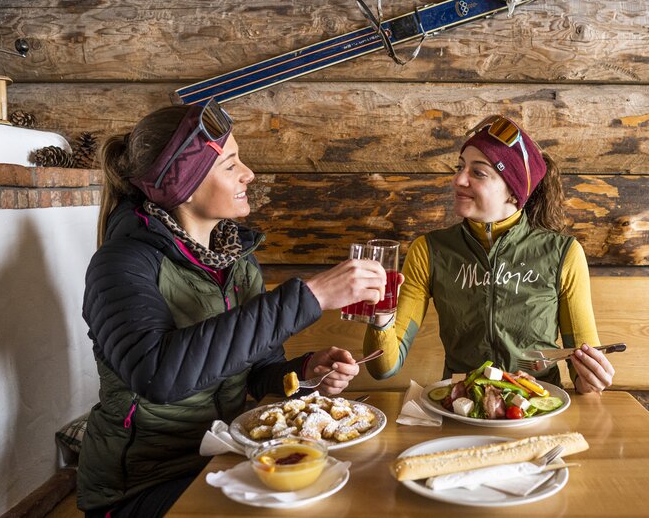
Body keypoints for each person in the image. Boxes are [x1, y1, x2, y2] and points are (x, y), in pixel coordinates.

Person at [78, 101, 388, 517]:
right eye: (230, 164)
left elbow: (260, 371)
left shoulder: (237, 259)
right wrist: (309, 297)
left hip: (225, 457)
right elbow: (157, 375)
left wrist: (307, 373)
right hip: (141, 486)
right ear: (182, 184)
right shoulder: (122, 263)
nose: (249, 174)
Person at [363, 115, 615, 394]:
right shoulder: (429, 250)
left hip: (536, 410)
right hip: (462, 408)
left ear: (513, 191)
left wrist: (592, 378)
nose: (458, 179)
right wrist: (380, 316)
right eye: (460, 167)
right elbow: (383, 367)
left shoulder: (563, 254)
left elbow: (583, 376)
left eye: (478, 172)